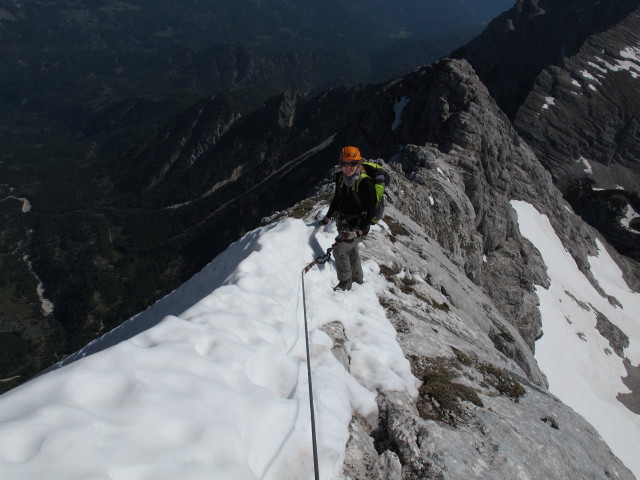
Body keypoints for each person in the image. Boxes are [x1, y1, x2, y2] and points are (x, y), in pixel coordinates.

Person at [320, 146, 377, 291]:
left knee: (339, 250)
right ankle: (358, 279)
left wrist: (360, 231)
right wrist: (327, 217)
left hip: (358, 226)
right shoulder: (340, 178)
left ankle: (345, 282)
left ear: (358, 163)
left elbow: (371, 210)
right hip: (343, 223)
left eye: (352, 163)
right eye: (345, 163)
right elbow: (337, 199)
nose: (348, 167)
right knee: (351, 251)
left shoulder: (365, 183)